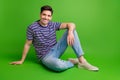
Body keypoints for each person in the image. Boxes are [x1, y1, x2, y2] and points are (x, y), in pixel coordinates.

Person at [10, 5, 99, 72]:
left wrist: (70, 31)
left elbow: (71, 24)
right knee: (58, 66)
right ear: (40, 14)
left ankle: (82, 61)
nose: (46, 17)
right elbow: (27, 44)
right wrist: (21, 60)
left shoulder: (52, 25)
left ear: (51, 17)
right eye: (44, 15)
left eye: (49, 16)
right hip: (45, 57)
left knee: (72, 30)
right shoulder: (31, 28)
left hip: (56, 49)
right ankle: (72, 62)